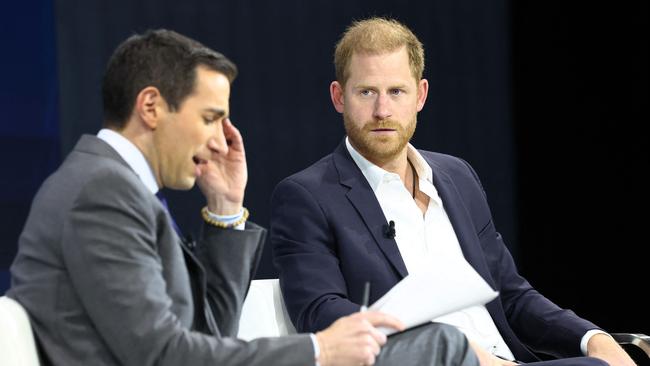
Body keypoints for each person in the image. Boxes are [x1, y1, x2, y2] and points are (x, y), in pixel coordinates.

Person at [7, 29, 479, 366]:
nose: (219, 141)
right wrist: (320, 351)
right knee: (441, 347)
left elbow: (208, 331)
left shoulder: (117, 188)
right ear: (151, 107)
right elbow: (161, 356)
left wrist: (227, 210)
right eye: (211, 117)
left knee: (439, 344)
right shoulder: (101, 193)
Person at [270, 17, 637, 366]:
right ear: (338, 97)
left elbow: (509, 294)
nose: (382, 110)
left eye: (396, 91)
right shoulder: (307, 196)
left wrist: (593, 339)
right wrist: (447, 346)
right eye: (366, 92)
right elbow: (321, 315)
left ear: (420, 95)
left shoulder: (456, 176)